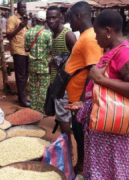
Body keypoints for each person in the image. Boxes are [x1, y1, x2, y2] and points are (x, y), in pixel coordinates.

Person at [67, 10, 129, 179]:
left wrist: (101, 79)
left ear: (108, 31)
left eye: (97, 33)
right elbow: (107, 93)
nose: (95, 38)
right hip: (102, 130)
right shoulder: (113, 50)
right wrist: (86, 104)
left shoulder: (124, 53)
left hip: (113, 134)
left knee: (111, 172)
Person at [64, 1, 103, 174]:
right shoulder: (85, 36)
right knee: (79, 136)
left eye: (71, 18)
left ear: (78, 17)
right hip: (76, 99)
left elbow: (93, 72)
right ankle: (80, 166)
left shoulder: (89, 39)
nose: (69, 23)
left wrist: (81, 100)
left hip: (81, 102)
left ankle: (85, 170)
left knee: (83, 138)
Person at [46, 6, 77, 152]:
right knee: (62, 114)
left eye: (54, 17)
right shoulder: (54, 34)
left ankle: (68, 148)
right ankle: (67, 143)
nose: (51, 20)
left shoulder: (67, 34)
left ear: (61, 18)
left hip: (64, 83)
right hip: (56, 81)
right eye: (49, 17)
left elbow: (78, 57)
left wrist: (62, 64)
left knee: (63, 116)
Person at [24, 11, 52, 113]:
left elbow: (26, 49)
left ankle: (33, 110)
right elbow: (51, 50)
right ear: (45, 21)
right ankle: (40, 111)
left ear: (35, 19)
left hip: (32, 66)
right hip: (43, 66)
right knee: (43, 90)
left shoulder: (28, 32)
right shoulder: (48, 34)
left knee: (33, 89)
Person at [6, 0, 30, 107]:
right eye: (21, 7)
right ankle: (22, 100)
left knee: (25, 75)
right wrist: (20, 27)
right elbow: (9, 36)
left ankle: (23, 97)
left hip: (26, 51)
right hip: (18, 50)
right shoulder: (12, 20)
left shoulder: (25, 20)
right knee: (20, 76)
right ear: (17, 8)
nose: (23, 9)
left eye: (25, 7)